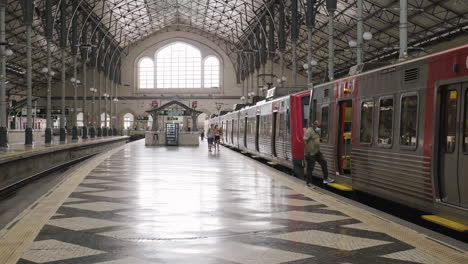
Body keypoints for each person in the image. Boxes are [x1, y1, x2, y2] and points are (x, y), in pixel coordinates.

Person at [303, 120, 334, 186]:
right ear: (314, 125)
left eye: (320, 126)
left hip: (317, 151)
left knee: (324, 162)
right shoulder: (309, 131)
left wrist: (319, 140)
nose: (319, 128)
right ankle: (308, 183)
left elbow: (316, 139)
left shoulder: (316, 132)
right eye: (318, 126)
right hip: (310, 152)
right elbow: (305, 140)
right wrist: (308, 150)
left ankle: (325, 178)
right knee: (310, 168)